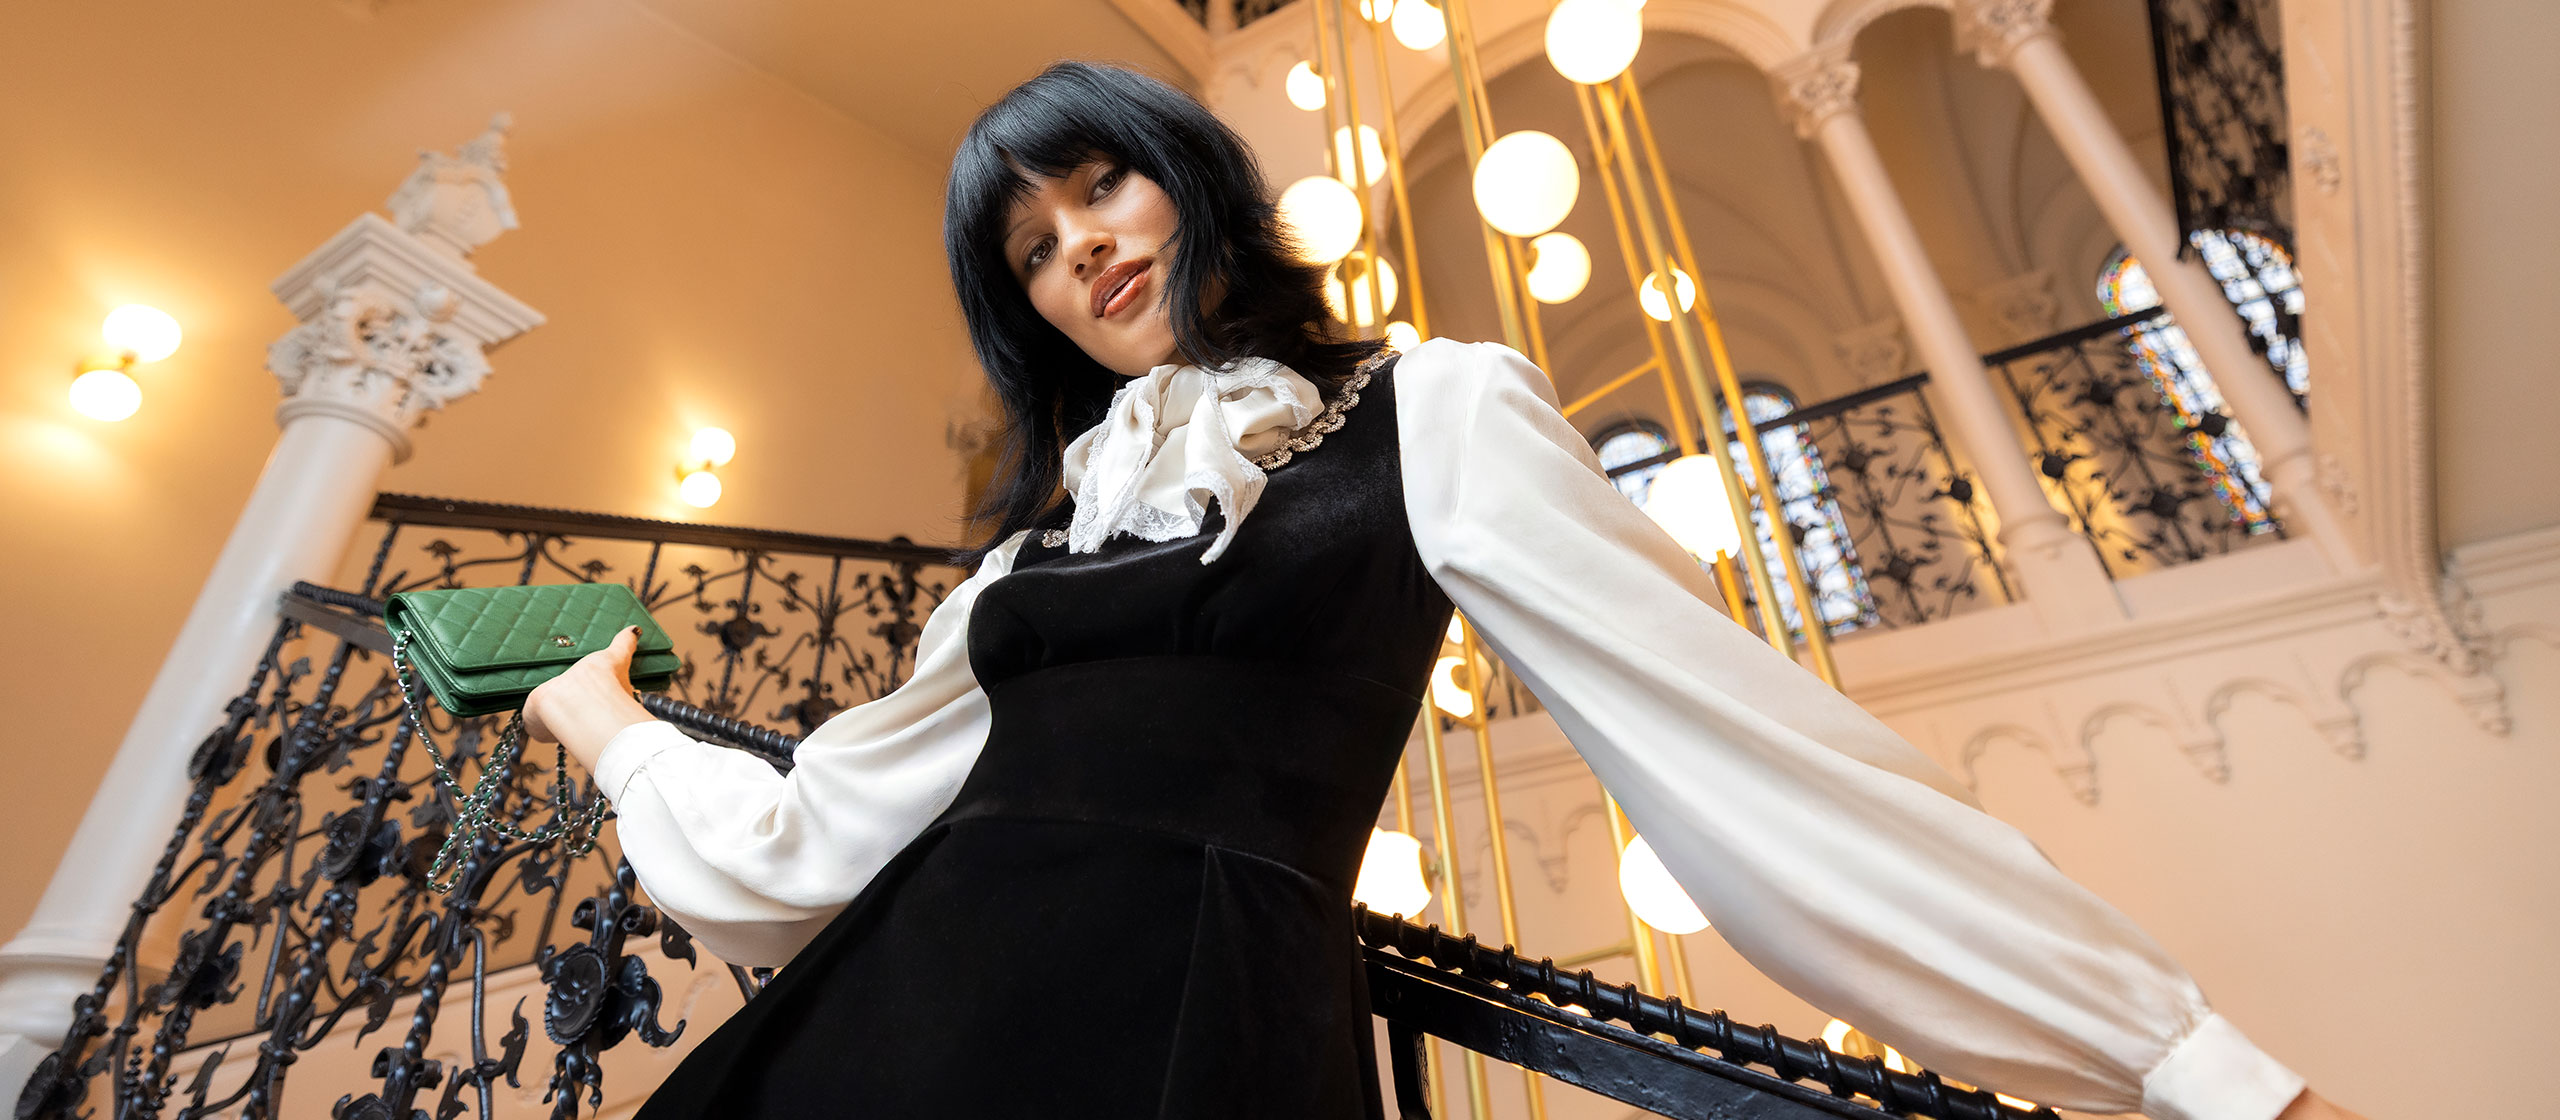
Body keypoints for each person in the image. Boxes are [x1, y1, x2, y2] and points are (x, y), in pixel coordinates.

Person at [522, 61, 2365, 1120]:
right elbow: (808, 839)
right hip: (905, 1031)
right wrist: (607, 727)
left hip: (1203, 1035)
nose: (1080, 247)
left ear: (1189, 184)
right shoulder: (1019, 564)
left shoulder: (1433, 410)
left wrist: (2181, 1057)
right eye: (1030, 248)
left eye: (1101, 187)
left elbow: (1745, 749)